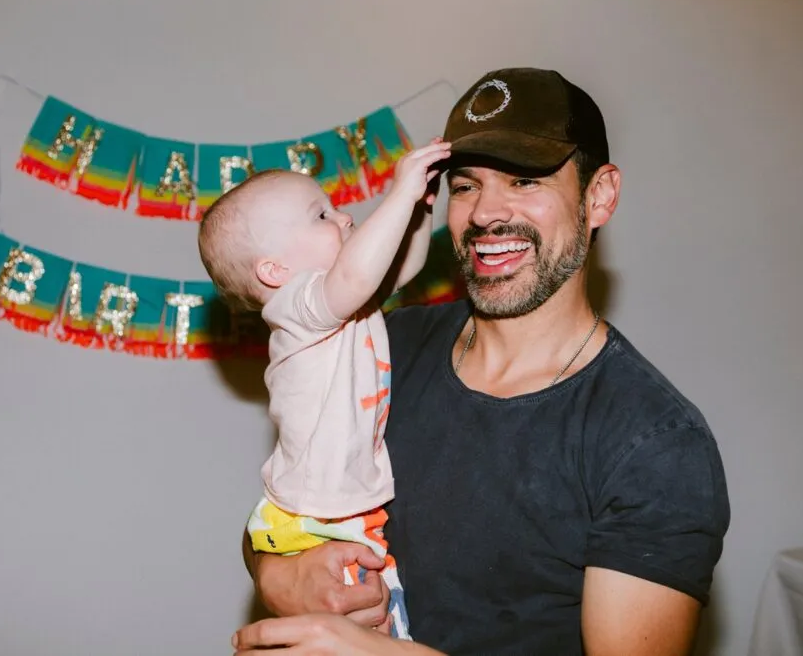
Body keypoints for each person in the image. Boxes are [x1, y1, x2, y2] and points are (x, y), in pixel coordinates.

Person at [232, 68, 731, 655]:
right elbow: (289, 507)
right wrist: (277, 572)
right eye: (465, 186)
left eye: (524, 181)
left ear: (599, 196)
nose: (487, 213)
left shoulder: (654, 441)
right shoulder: (383, 344)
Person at [197, 138, 453, 640]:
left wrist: (419, 210)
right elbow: (358, 272)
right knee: (371, 628)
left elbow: (401, 267)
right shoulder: (296, 309)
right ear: (275, 271)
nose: (344, 218)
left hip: (344, 506)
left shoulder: (338, 303)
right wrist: (398, 194)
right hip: (320, 515)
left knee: (379, 625)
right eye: (320, 217)